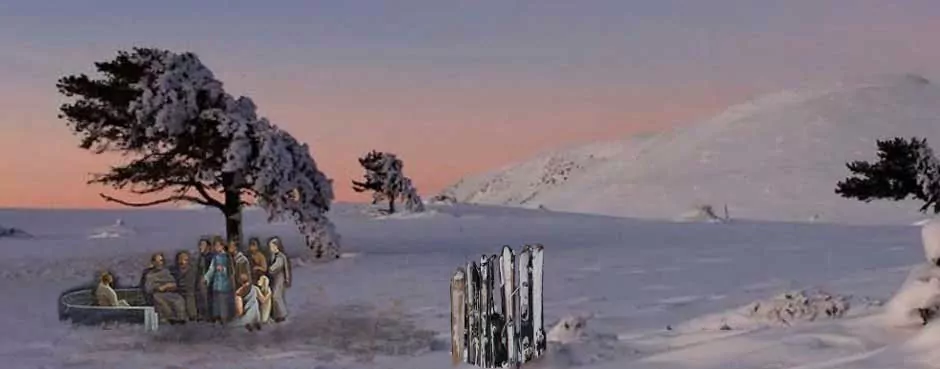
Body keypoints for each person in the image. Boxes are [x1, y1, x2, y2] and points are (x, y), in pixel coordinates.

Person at [142, 253, 188, 324]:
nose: (159, 263)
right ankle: (168, 318)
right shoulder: (150, 275)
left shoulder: (166, 272)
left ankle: (181, 319)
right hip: (156, 294)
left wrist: (169, 286)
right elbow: (148, 288)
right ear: (154, 263)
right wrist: (159, 288)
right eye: (157, 261)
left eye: (161, 261)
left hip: (170, 293)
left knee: (179, 300)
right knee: (159, 300)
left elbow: (174, 283)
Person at [204, 237, 236, 324]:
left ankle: (224, 318)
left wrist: (223, 269)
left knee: (223, 301)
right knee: (216, 301)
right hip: (217, 282)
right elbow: (211, 269)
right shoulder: (215, 257)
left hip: (225, 282)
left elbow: (231, 270)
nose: (216, 247)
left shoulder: (227, 257)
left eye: (218, 245)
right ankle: (217, 317)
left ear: (222, 246)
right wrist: (207, 278)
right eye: (215, 246)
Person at [268, 237, 292, 322]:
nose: (270, 248)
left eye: (271, 246)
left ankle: (282, 314)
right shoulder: (273, 256)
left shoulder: (280, 257)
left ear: (276, 246)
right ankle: (277, 314)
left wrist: (270, 269)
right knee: (275, 296)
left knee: (276, 296)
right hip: (275, 278)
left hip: (279, 278)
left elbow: (276, 266)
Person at [170, 250, 199, 321]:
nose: (183, 261)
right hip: (178, 292)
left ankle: (193, 316)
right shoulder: (173, 271)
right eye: (181, 259)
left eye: (185, 259)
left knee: (190, 299)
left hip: (191, 292)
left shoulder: (193, 270)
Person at [196, 238, 213, 321]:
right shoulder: (200, 258)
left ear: (208, 247)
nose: (200, 247)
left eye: (202, 245)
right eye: (200, 245)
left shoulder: (211, 257)